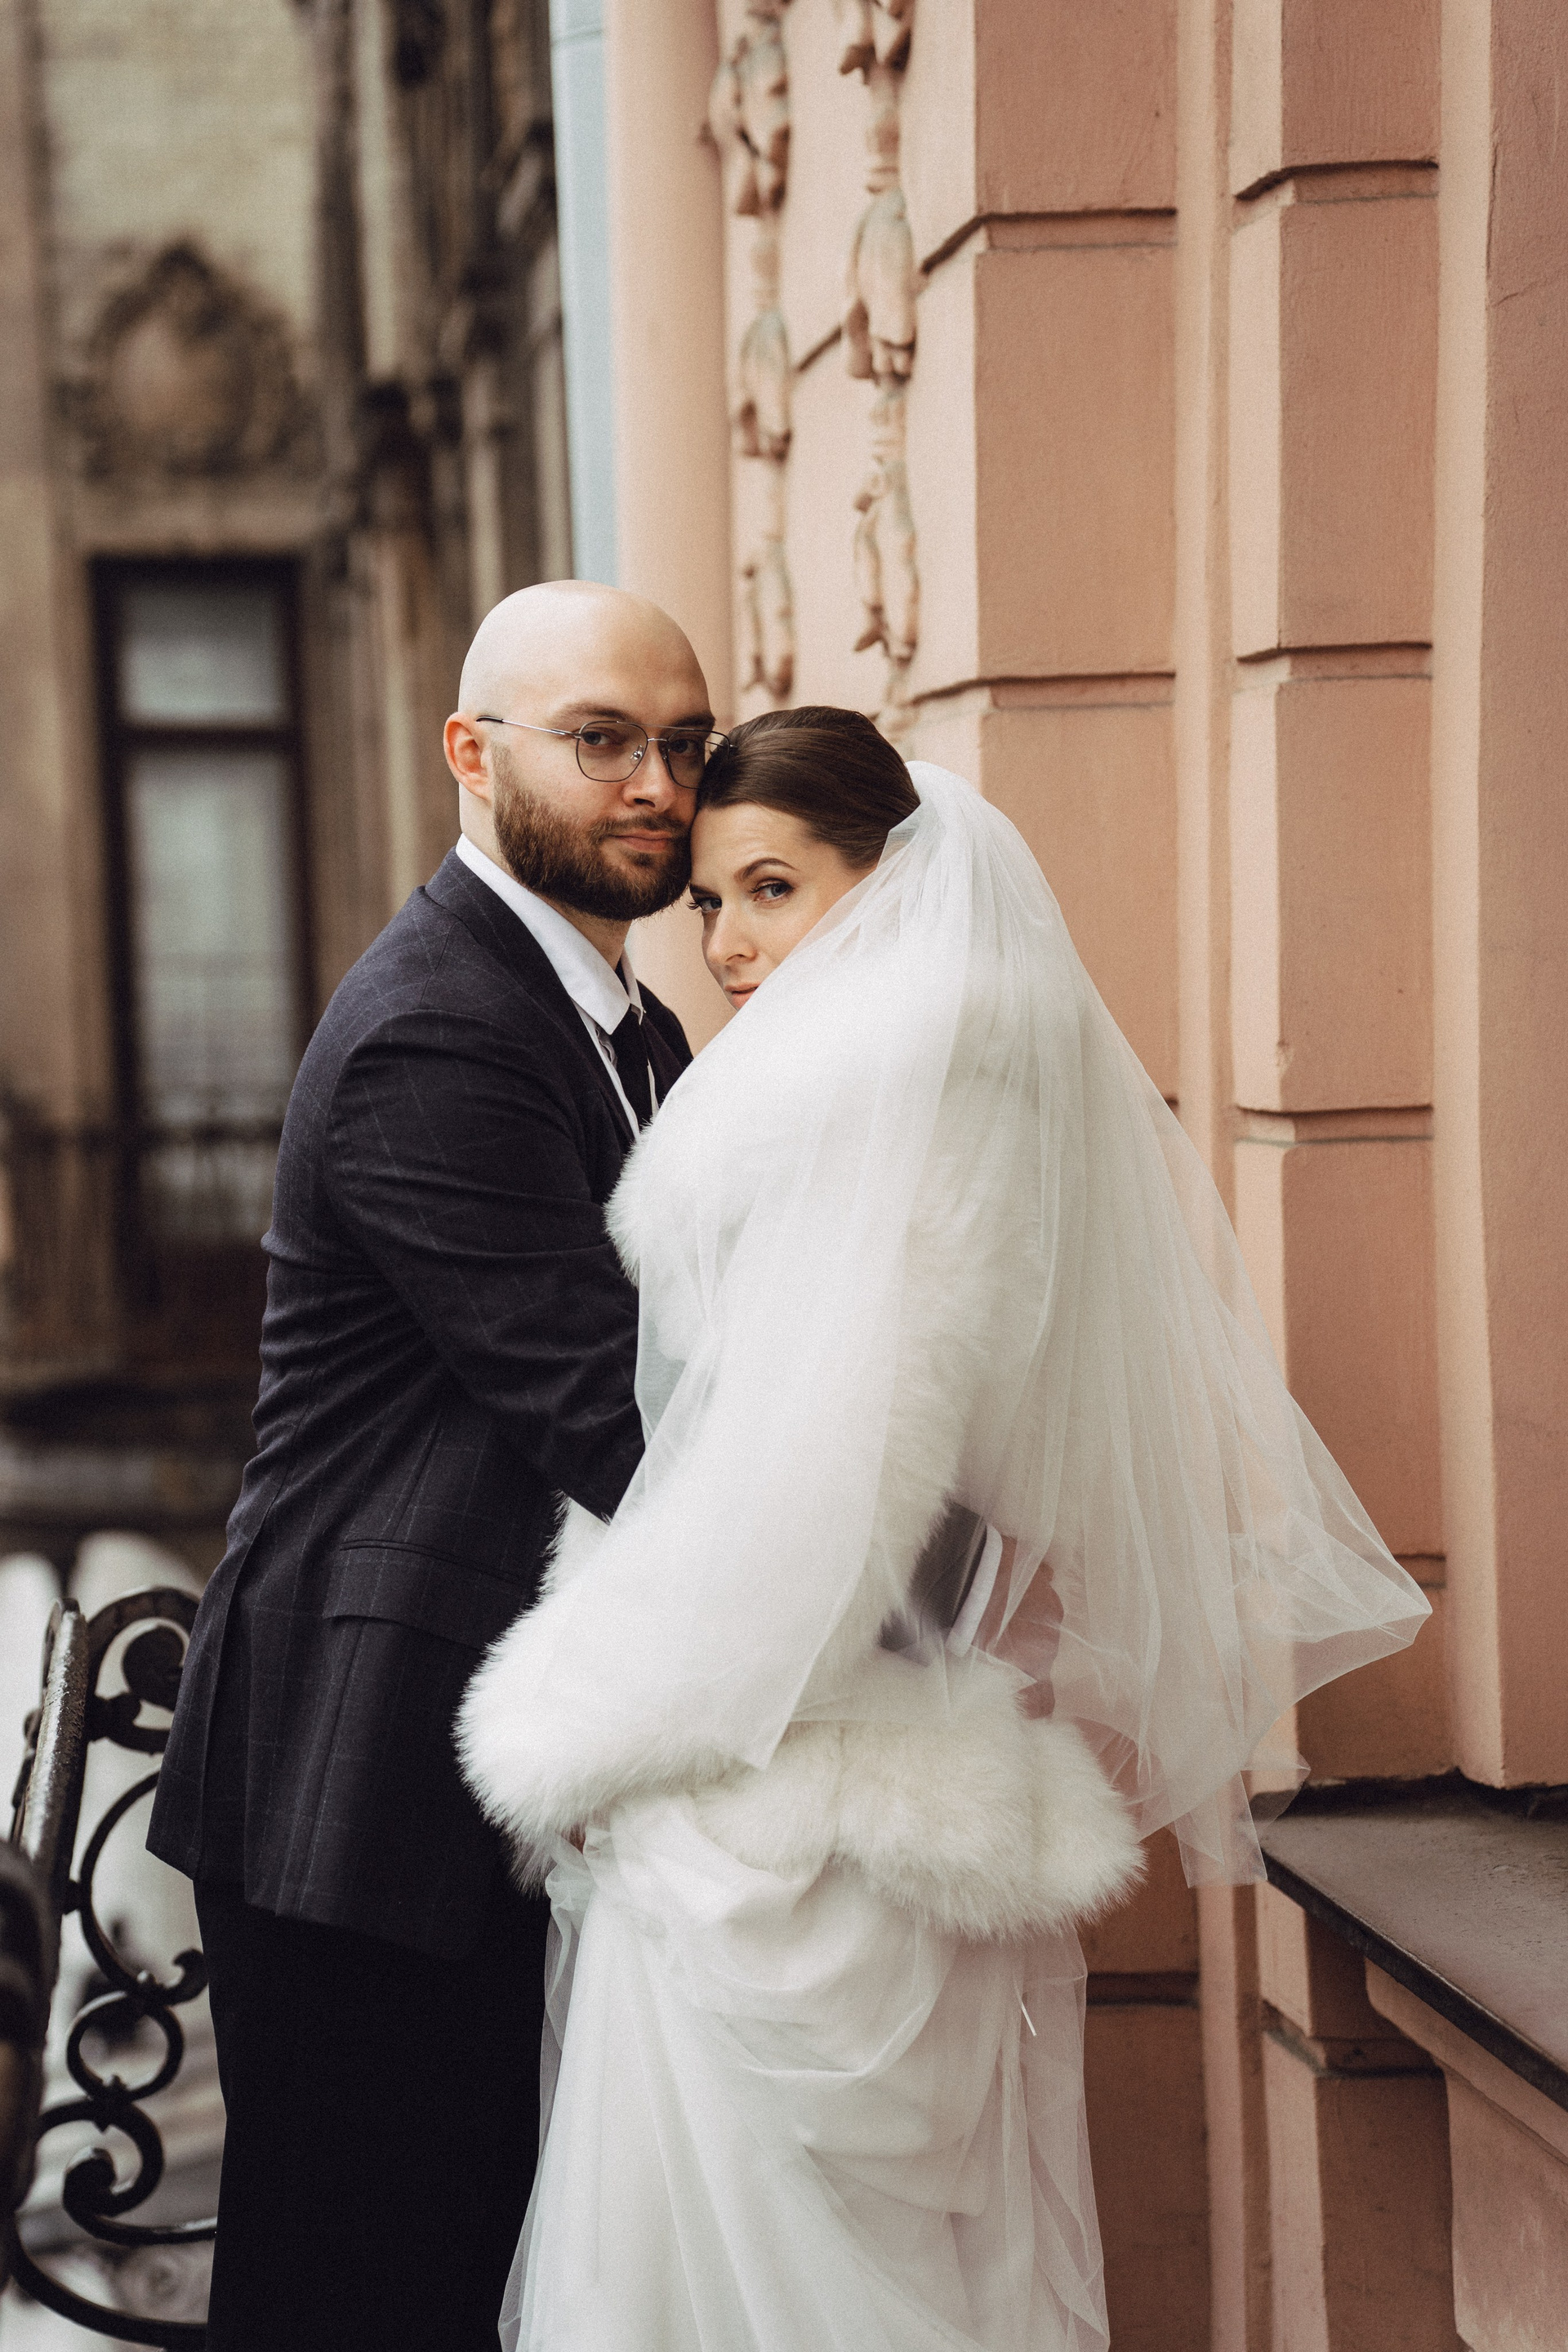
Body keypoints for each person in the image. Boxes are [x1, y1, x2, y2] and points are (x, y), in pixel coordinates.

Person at [460, 706, 1432, 2352]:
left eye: (774, 889)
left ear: (896, 877)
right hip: (841, 1758)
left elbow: (830, 1507)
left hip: (794, 1799)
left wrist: (591, 1728)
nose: (730, 945)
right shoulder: (926, 1089)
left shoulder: (890, 1112)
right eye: (710, 902)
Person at [147, 581, 724, 2351]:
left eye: (683, 744)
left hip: (503, 1752)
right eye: (603, 739)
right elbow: (612, 1414)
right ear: (472, 753)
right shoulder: (440, 1029)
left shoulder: (632, 1023)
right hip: (365, 1774)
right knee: (359, 2300)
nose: (658, 786)